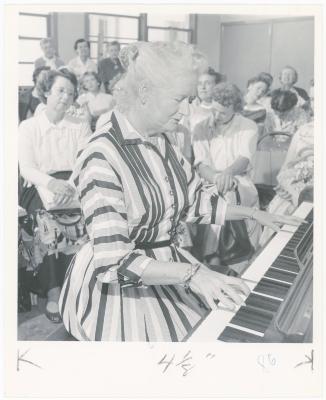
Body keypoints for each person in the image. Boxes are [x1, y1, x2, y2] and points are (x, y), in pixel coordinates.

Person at [58, 41, 304, 342]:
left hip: (165, 264)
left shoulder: (163, 141)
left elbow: (193, 201)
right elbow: (114, 262)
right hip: (118, 287)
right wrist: (193, 274)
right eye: (180, 99)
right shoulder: (101, 156)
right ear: (145, 92)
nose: (187, 112)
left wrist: (254, 213)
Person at [18, 69, 91, 323]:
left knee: (88, 217)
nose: (66, 97)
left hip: (74, 183)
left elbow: (86, 161)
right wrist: (52, 184)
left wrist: (69, 186)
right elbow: (26, 167)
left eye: (71, 93)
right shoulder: (28, 127)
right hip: (40, 184)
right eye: (60, 90)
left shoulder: (80, 125)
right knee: (45, 222)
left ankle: (79, 284)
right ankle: (52, 291)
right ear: (46, 92)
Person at [192, 82, 261, 273]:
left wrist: (227, 174)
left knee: (229, 196)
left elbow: (244, 158)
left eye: (222, 113)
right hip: (210, 180)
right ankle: (213, 258)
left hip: (240, 180)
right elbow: (201, 163)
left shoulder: (248, 126)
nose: (216, 116)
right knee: (218, 197)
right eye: (214, 110)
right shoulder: (201, 127)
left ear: (235, 109)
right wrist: (216, 178)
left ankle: (234, 258)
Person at [259, 120, 313, 246]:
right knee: (279, 213)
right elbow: (285, 167)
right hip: (295, 187)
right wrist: (283, 185)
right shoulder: (305, 130)